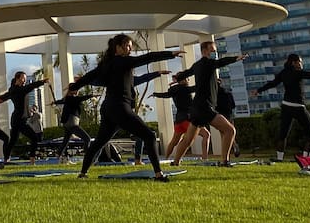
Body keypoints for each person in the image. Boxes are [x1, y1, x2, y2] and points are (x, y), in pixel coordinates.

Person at [72, 34, 180, 181]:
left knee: (99, 142)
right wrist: (170, 54)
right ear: (118, 47)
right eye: (127, 46)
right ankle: (158, 174)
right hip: (120, 108)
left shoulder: (107, 64)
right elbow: (147, 58)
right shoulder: (123, 61)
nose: (130, 49)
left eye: (130, 46)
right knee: (149, 136)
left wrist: (74, 87)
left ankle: (83, 173)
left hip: (108, 108)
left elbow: (89, 76)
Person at [252, 53, 310, 160]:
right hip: (298, 107)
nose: (301, 64)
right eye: (300, 62)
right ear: (293, 63)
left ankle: (279, 158)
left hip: (286, 106)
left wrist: (258, 90)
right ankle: (305, 158)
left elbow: (273, 83)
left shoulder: (284, 72)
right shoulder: (298, 73)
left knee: (283, 134)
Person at [172, 41, 246, 167]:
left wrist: (177, 79)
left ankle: (175, 162)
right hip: (204, 107)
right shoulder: (209, 63)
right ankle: (225, 161)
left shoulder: (197, 65)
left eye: (215, 51)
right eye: (212, 50)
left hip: (196, 108)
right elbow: (220, 62)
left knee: (188, 139)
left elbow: (186, 73)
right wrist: (236, 58)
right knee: (230, 130)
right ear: (204, 51)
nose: (214, 53)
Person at [154, 74, 208, 162]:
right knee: (205, 135)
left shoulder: (174, 89)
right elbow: (195, 88)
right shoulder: (184, 89)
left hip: (179, 120)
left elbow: (166, 95)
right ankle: (205, 158)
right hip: (187, 119)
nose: (188, 80)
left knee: (174, 142)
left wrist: (155, 94)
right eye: (186, 79)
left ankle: (165, 159)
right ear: (182, 80)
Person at [3, 71, 51, 164]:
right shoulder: (17, 90)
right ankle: (32, 159)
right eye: (23, 78)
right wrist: (42, 81)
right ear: (17, 79)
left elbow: (4, 97)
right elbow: (31, 86)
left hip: (20, 119)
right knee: (33, 138)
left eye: (25, 78)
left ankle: (7, 158)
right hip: (18, 120)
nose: (24, 80)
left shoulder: (16, 89)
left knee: (13, 140)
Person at [51, 82, 95, 163]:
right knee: (87, 139)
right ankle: (88, 158)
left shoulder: (68, 98)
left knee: (66, 140)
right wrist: (90, 96)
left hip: (68, 123)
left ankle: (58, 154)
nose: (77, 91)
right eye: (76, 89)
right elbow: (80, 99)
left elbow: (62, 101)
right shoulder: (70, 98)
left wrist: (55, 102)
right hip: (72, 123)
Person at [215, 78, 240, 158]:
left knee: (223, 134)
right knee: (230, 132)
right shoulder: (228, 93)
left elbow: (214, 105)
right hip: (229, 114)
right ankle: (234, 145)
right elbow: (233, 105)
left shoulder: (215, 94)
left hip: (221, 115)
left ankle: (226, 154)